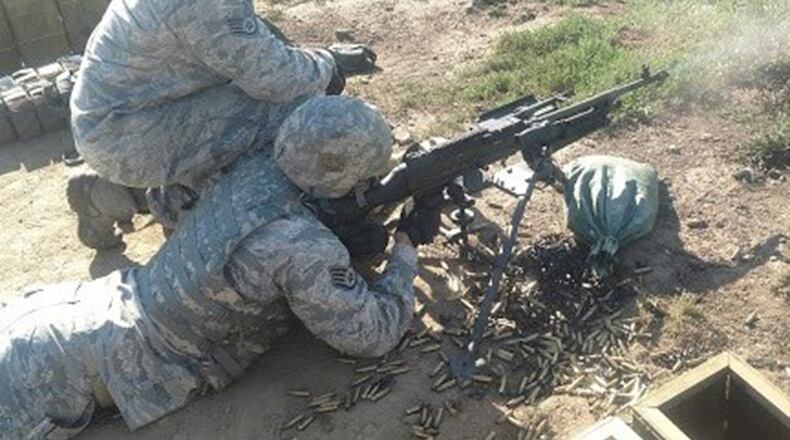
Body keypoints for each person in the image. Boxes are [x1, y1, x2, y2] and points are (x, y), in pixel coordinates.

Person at [0, 97, 441, 439]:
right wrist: (406, 247)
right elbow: (374, 334)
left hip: (69, 317)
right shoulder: (301, 246)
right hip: (66, 373)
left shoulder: (254, 166)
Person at [66, 0, 374, 249]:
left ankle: (108, 195)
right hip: (124, 137)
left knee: (277, 86)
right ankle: (182, 207)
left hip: (130, 121)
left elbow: (252, 45)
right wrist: (327, 64)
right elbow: (274, 80)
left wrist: (315, 61)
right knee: (291, 113)